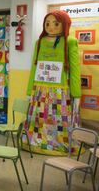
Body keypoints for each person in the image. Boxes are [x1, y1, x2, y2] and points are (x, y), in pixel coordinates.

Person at [25, 10, 81, 155]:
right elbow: (34, 66)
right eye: (47, 23)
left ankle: (60, 144)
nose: (51, 27)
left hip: (60, 91)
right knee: (39, 118)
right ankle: (37, 141)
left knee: (59, 119)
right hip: (40, 90)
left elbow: (75, 69)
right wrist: (29, 90)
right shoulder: (40, 42)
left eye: (56, 23)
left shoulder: (70, 41)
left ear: (64, 24)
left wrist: (76, 93)